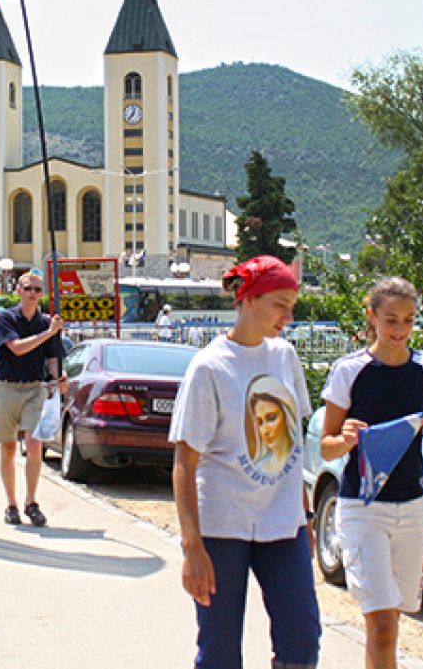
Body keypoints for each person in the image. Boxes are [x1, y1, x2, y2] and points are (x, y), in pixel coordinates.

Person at [169, 255, 320, 669]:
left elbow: (295, 445)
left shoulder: (285, 356)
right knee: (219, 651)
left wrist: (304, 516)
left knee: (302, 642)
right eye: (280, 304)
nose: (288, 316)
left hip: (283, 524)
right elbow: (185, 462)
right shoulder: (210, 367)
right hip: (223, 527)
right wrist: (192, 547)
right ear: (249, 299)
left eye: (292, 305)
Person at [321, 277, 423, 669]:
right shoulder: (350, 370)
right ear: (372, 317)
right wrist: (344, 440)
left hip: (412, 507)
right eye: (391, 319)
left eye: (408, 320)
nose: (399, 330)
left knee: (391, 619)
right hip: (363, 507)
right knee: (380, 625)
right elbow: (326, 444)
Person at [0, 271, 66, 527]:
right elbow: (18, 348)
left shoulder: (47, 322)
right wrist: (50, 332)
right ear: (19, 290)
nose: (33, 293)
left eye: (37, 289)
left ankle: (31, 501)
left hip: (35, 388)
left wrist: (57, 380)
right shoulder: (5, 318)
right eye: (28, 288)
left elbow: (52, 357)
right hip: (7, 388)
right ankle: (11, 503)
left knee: (34, 445)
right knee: (8, 448)